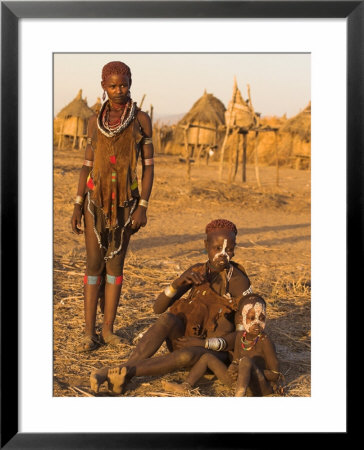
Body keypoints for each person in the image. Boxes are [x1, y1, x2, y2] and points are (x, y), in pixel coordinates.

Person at [90, 219, 253, 394]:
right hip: (186, 340)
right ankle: (123, 374)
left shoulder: (239, 282)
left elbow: (242, 336)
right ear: (206, 245)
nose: (223, 255)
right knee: (167, 318)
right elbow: (158, 309)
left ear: (234, 249)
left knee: (188, 354)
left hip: (212, 353)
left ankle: (117, 372)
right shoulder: (197, 271)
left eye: (229, 249)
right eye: (217, 248)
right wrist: (177, 283)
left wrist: (204, 343)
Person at [71, 61, 154, 352]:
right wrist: (78, 203)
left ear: (130, 82)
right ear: (103, 86)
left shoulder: (141, 120)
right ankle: (88, 332)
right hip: (95, 202)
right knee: (94, 264)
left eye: (124, 84)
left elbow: (148, 168)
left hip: (125, 203)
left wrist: (142, 206)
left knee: (115, 265)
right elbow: (86, 165)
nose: (119, 90)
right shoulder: (95, 121)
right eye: (113, 85)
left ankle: (108, 330)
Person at [163, 293, 282, 396]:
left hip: (258, 387)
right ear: (242, 319)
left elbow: (275, 375)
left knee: (245, 361)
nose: (257, 323)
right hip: (237, 382)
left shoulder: (264, 341)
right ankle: (186, 386)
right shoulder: (240, 336)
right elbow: (231, 354)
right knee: (207, 357)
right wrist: (234, 367)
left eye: (261, 318)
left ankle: (239, 395)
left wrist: (245, 368)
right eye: (252, 318)